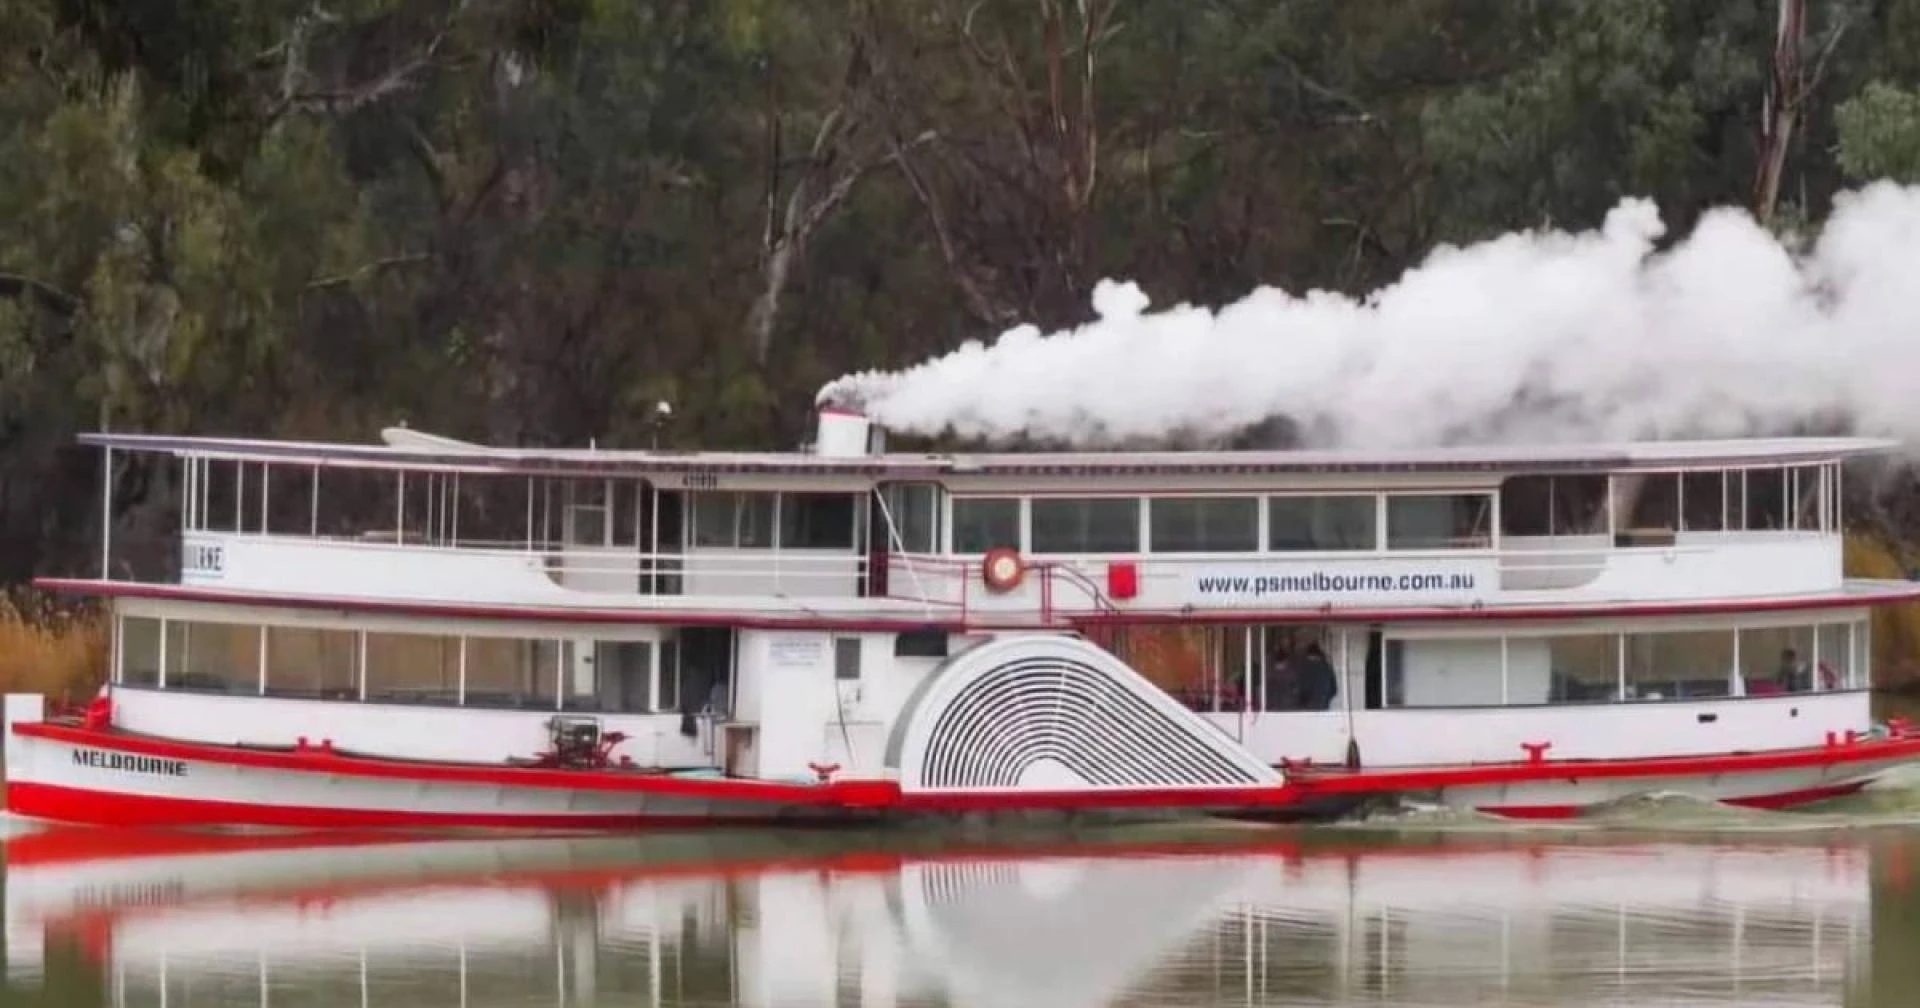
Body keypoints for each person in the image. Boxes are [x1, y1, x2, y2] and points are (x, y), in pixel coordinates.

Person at [1298, 642, 1339, 711]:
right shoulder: (1327, 667)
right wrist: (1326, 699)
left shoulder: (1305, 669)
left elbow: (1302, 689)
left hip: (1307, 708)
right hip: (1323, 706)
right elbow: (1334, 690)